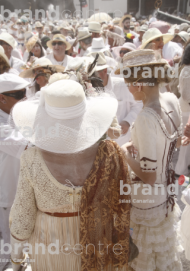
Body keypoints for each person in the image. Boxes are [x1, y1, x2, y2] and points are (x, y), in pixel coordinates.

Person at [9, 78, 131, 271]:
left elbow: (23, 220)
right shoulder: (109, 152)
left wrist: (16, 262)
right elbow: (121, 202)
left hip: (51, 246)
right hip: (98, 242)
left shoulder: (32, 158)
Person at [120, 49, 183, 270]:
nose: (127, 89)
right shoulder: (171, 99)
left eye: (128, 82)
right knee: (162, 258)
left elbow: (148, 175)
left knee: (143, 261)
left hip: (147, 200)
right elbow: (173, 144)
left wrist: (124, 153)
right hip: (167, 193)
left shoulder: (146, 117)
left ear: (138, 83)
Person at [0, 73, 30, 270]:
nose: (25, 98)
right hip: (8, 196)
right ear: (1, 98)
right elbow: (28, 146)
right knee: (8, 253)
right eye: (19, 94)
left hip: (23, 193)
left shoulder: (17, 115)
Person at [94, 52, 142, 146]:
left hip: (122, 144)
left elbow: (139, 105)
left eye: (94, 74)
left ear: (104, 71)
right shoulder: (88, 89)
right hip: (99, 147)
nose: (92, 78)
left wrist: (127, 121)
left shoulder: (123, 85)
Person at [175, 43, 190, 176]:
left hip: (186, 109)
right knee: (186, 144)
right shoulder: (187, 70)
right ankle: (181, 172)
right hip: (187, 110)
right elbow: (186, 95)